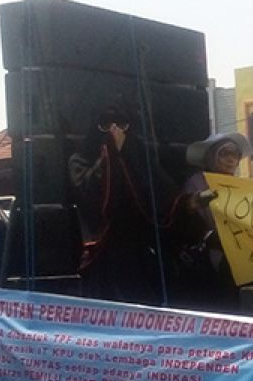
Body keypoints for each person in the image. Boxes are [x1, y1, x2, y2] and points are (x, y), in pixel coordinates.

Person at [67, 105, 180, 305]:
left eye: (120, 124)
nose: (114, 130)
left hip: (139, 252)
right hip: (102, 255)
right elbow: (89, 196)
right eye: (106, 124)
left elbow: (163, 194)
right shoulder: (80, 160)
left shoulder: (139, 157)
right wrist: (109, 156)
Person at [169, 133, 250, 310]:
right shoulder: (197, 183)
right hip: (209, 256)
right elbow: (188, 218)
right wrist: (209, 236)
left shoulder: (242, 185)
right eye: (225, 154)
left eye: (235, 155)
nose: (231, 159)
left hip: (240, 254)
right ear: (212, 156)